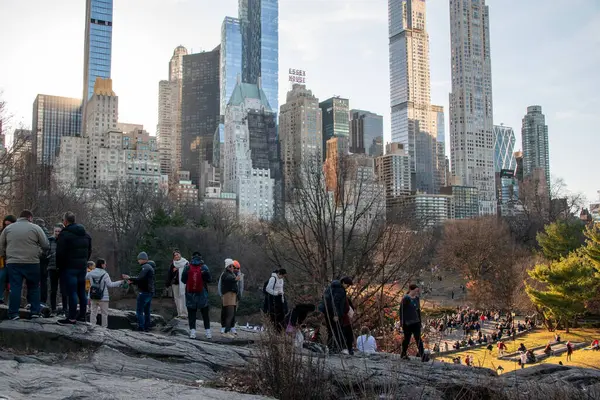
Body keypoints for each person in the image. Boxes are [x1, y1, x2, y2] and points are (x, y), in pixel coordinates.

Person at [0, 210, 49, 320]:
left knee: (15, 287)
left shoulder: (8, 228)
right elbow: (46, 245)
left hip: (13, 262)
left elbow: (1, 245)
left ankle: (13, 313)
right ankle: (35, 311)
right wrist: (39, 253)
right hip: (32, 262)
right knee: (34, 287)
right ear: (30, 218)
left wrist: (6, 255)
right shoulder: (36, 228)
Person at [56, 212, 92, 325]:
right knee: (82, 291)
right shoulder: (86, 235)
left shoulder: (64, 234)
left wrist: (59, 266)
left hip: (69, 267)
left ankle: (71, 317)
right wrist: (84, 262)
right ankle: (82, 316)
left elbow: (60, 253)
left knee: (72, 292)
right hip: (82, 267)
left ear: (66, 221)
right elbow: (89, 251)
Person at [181, 253, 212, 339]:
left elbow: (183, 280)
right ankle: (208, 332)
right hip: (202, 293)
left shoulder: (187, 267)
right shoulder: (204, 267)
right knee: (205, 314)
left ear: (192, 258)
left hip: (190, 294)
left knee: (191, 314)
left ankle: (193, 332)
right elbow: (209, 280)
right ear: (200, 258)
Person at [319, 277, 353, 354]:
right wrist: (336, 314)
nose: (347, 287)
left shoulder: (331, 287)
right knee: (337, 330)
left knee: (331, 330)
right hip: (334, 314)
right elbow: (335, 303)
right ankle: (336, 348)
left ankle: (331, 347)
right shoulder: (340, 290)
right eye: (347, 285)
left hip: (327, 311)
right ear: (343, 282)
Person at [86, 259, 123, 328]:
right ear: (102, 265)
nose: (105, 265)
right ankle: (104, 329)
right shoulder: (105, 274)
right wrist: (120, 282)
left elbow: (85, 277)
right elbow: (110, 285)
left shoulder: (90, 273)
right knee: (104, 314)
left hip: (93, 296)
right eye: (105, 264)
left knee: (93, 313)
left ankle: (92, 326)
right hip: (103, 297)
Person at [124, 252, 155, 332]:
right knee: (147, 311)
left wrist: (130, 278)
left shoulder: (145, 267)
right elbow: (142, 280)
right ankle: (147, 327)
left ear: (142, 259)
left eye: (139, 259)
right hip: (150, 292)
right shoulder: (149, 267)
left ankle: (141, 327)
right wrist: (132, 281)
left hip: (144, 292)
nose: (138, 261)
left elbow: (140, 278)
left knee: (139, 311)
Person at [399, 283, 425, 360]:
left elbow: (418, 311)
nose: (416, 293)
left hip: (416, 322)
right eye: (415, 291)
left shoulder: (417, 299)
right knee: (407, 339)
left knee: (418, 338)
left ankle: (422, 355)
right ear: (411, 290)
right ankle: (403, 353)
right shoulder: (405, 298)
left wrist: (420, 322)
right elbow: (401, 311)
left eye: (417, 291)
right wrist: (402, 322)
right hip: (407, 323)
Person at [218, 259, 243, 334]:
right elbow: (222, 283)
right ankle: (225, 328)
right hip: (227, 295)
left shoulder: (238, 274)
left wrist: (239, 295)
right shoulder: (226, 274)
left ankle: (231, 327)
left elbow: (241, 286)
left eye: (237, 268)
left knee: (232, 313)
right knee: (226, 312)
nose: (235, 269)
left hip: (235, 295)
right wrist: (220, 294)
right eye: (233, 267)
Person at [47, 224, 66, 315]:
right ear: (53, 231)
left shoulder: (64, 240)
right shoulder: (50, 240)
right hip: (52, 267)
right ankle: (53, 308)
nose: (57, 233)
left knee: (63, 289)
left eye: (59, 231)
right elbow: (46, 251)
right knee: (53, 289)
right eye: (56, 231)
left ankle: (65, 308)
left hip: (62, 267)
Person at [165, 250, 188, 319]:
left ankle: (185, 314)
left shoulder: (186, 263)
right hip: (175, 284)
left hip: (184, 284)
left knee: (183, 298)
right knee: (177, 299)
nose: (176, 256)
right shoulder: (173, 264)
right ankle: (179, 313)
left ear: (180, 255)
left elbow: (188, 273)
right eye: (175, 255)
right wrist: (167, 284)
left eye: (177, 254)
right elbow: (169, 275)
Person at [0, 215, 16, 305]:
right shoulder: (2, 233)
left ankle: (11, 302)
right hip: (3, 260)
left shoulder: (16, 234)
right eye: (5, 225)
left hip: (14, 259)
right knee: (1, 277)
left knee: (13, 281)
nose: (7, 227)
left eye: (9, 225)